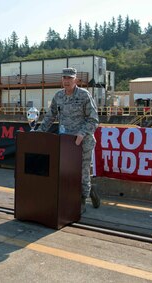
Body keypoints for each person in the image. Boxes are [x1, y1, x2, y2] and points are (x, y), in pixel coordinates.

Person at [37, 68, 101, 213]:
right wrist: (39, 132)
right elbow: (50, 116)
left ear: (75, 80)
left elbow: (94, 120)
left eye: (70, 78)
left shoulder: (84, 95)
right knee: (66, 171)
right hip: (65, 142)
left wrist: (82, 133)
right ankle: (89, 190)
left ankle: (83, 199)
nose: (66, 81)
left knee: (82, 170)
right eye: (64, 78)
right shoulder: (58, 96)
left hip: (83, 141)